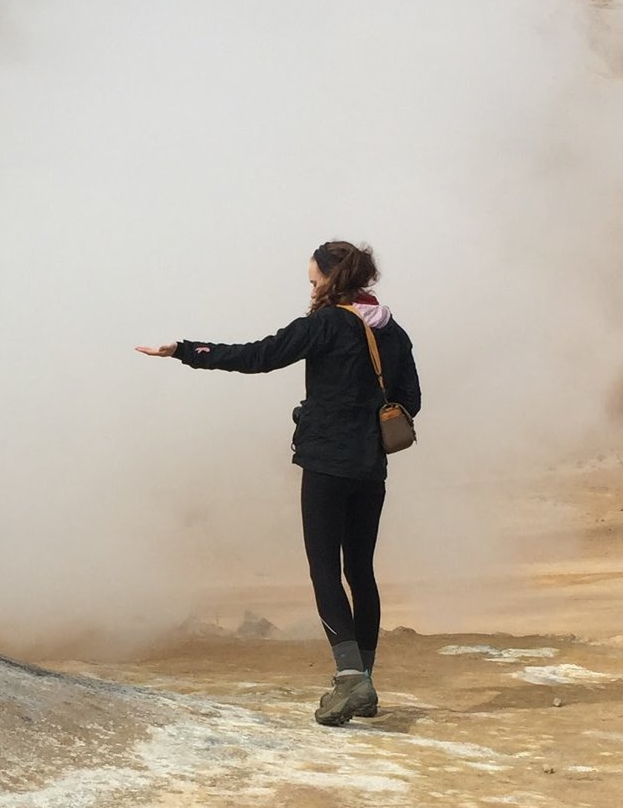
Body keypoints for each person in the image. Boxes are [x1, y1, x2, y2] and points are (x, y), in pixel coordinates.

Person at [139, 239, 421, 727]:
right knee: (361, 570)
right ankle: (366, 681)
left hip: (327, 467)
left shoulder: (325, 324)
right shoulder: (393, 331)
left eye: (314, 280)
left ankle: (351, 678)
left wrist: (185, 351)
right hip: (371, 468)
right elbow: (411, 399)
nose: (311, 288)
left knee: (324, 570)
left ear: (333, 278)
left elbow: (259, 356)